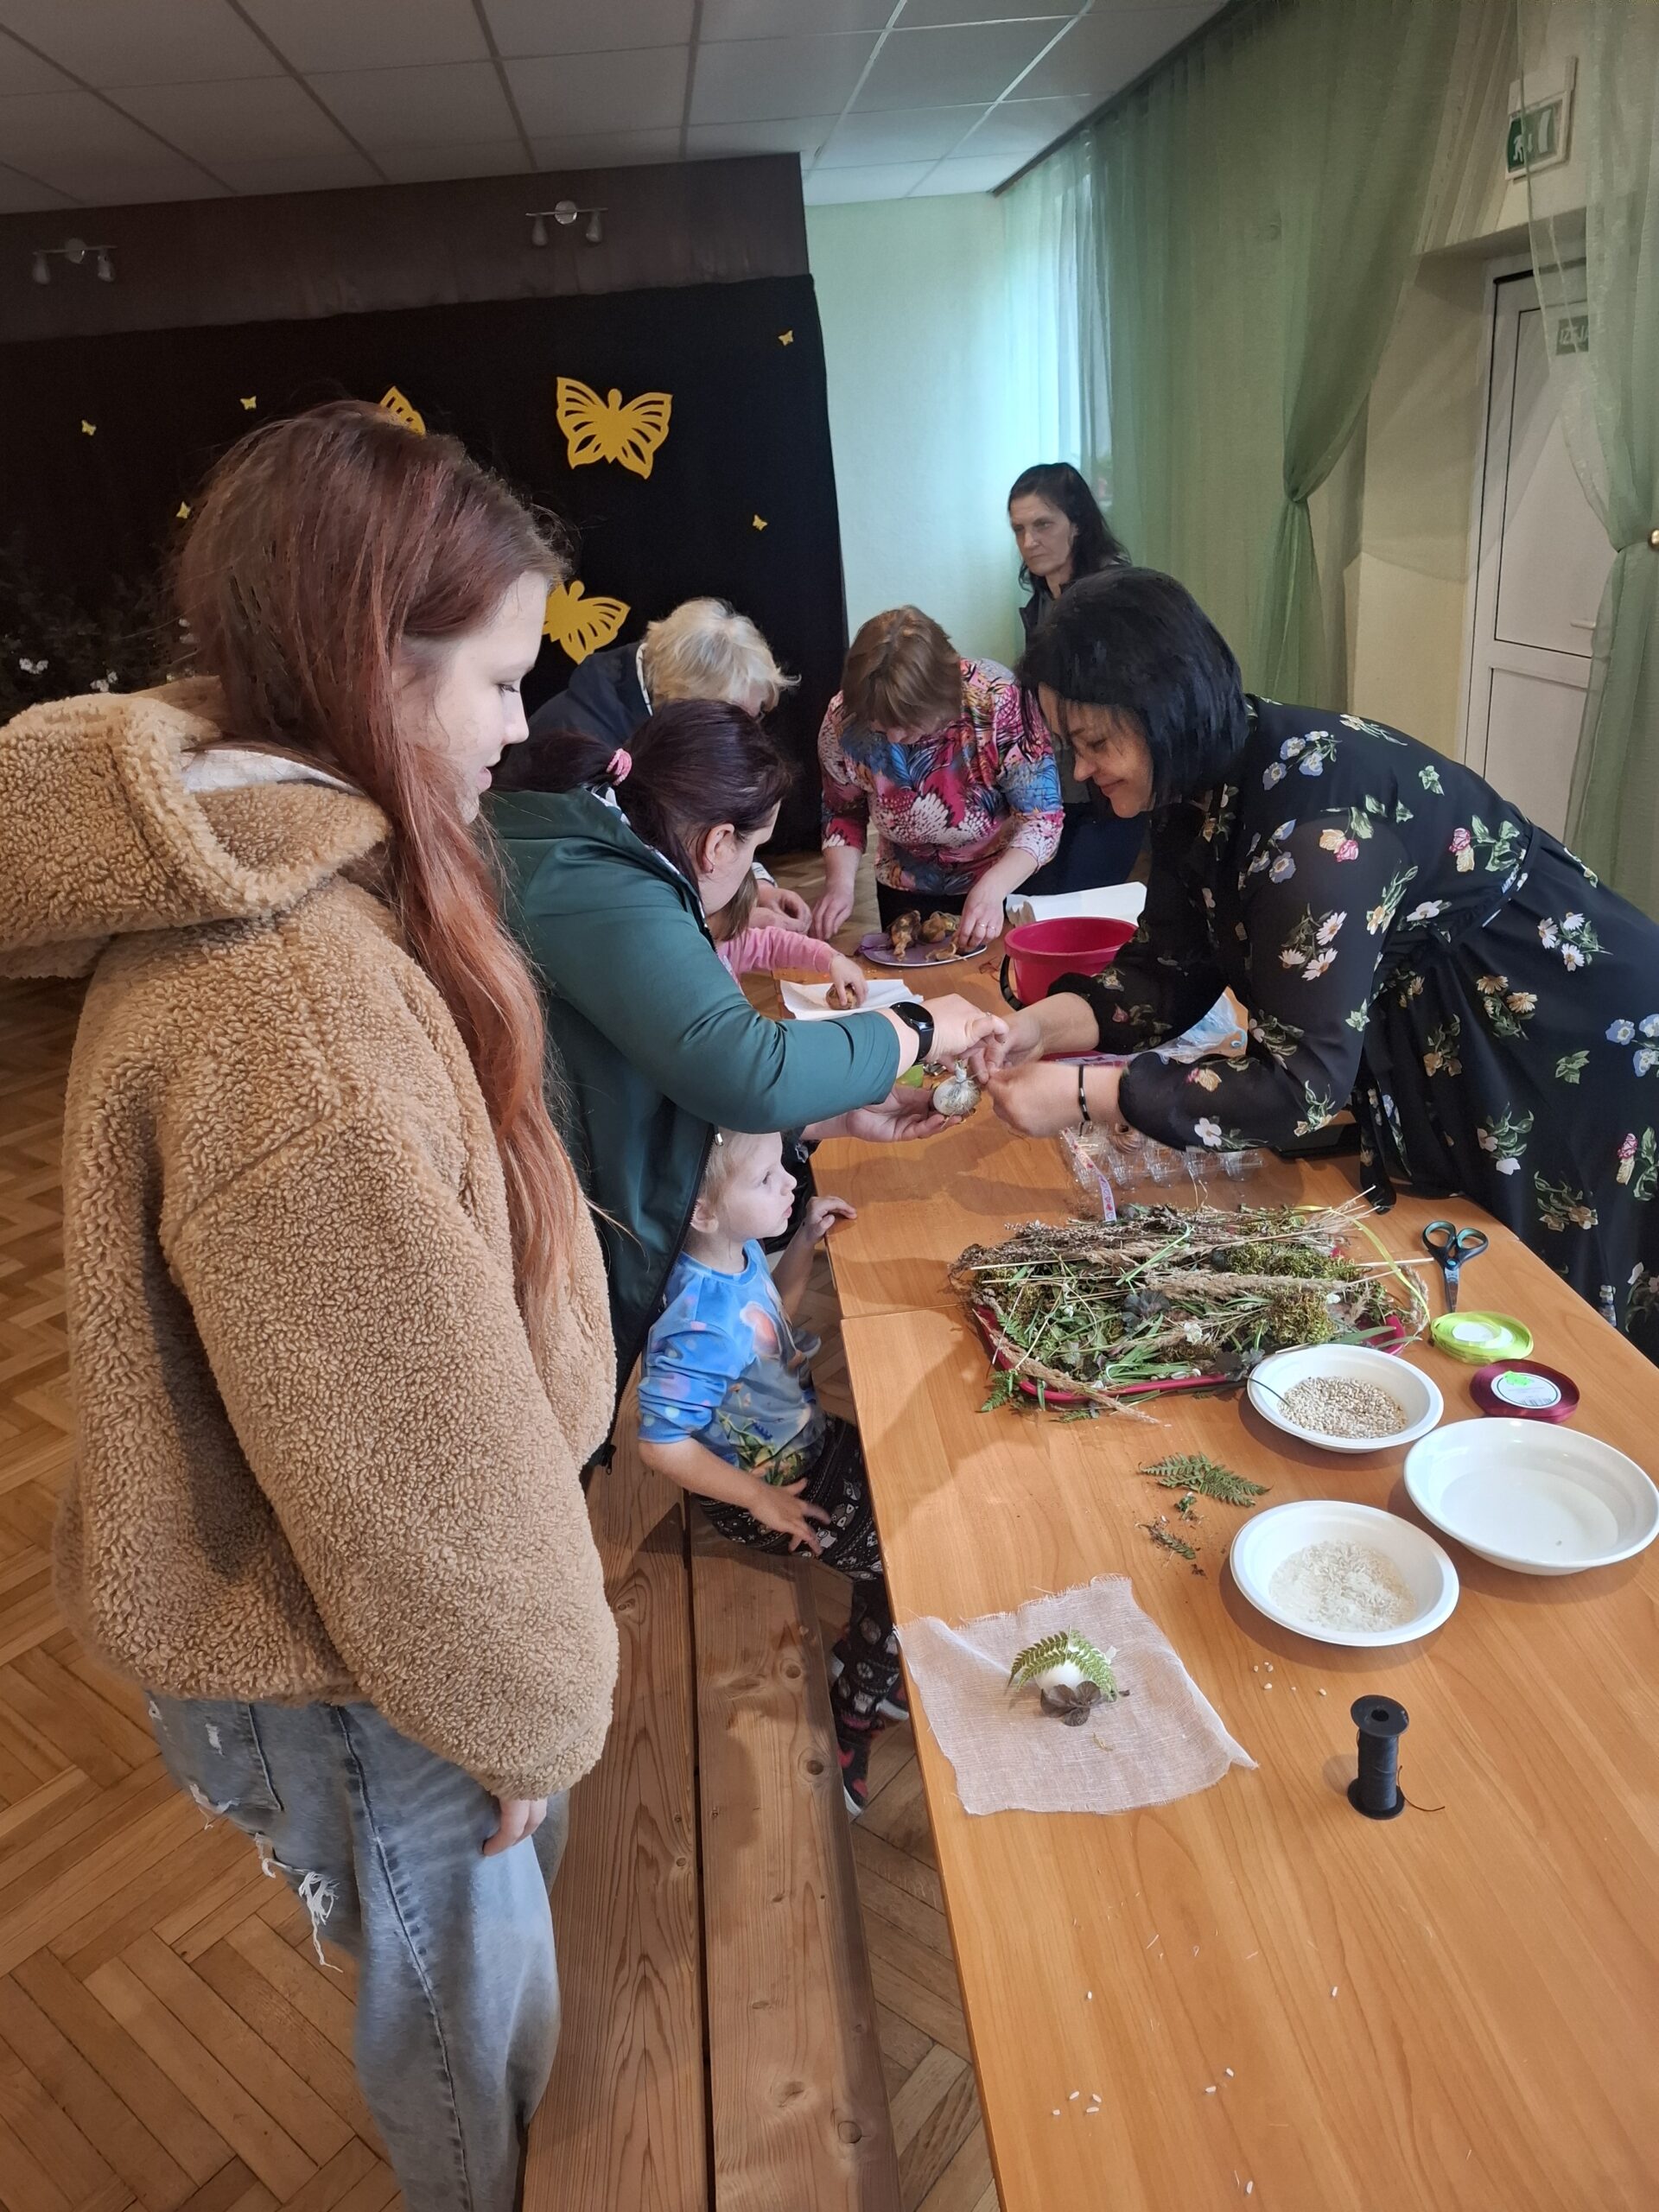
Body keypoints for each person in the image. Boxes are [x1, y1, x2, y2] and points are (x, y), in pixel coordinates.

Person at [0, 401, 619, 2212]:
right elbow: (403, 1449)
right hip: (378, 1651)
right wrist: (517, 1706)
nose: (519, 723)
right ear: (373, 667)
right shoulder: (288, 1006)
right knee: (465, 2030)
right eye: (496, 679)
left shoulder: (309, 898)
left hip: (404, 1623)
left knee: (482, 1994)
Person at [973, 566, 1659, 1357]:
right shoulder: (1195, 783)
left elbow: (1300, 1087)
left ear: (1168, 710)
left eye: (1095, 744)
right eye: (1071, 747)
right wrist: (1040, 1029)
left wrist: (1090, 1095)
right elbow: (1166, 968)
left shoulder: (1315, 838)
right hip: (1453, 1017)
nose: (1081, 772)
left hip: (1559, 1020)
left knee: (1556, 1311)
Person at [488, 702, 1001, 1393]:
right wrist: (921, 1025)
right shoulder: (611, 886)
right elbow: (750, 1067)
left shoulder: (591, 855)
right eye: (754, 852)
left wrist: (831, 1116)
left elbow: (675, 1075)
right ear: (718, 843)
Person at [636, 1129, 902, 1814]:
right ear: (701, 1210)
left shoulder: (734, 1250)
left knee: (903, 1504)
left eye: (782, 1167)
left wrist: (805, 1239)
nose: (790, 1181)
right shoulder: (697, 1327)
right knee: (907, 1563)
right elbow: (660, 1445)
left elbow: (771, 1320)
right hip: (772, 1493)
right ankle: (854, 1716)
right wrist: (757, 1498)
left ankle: (868, 1645)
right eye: (765, 1179)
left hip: (804, 1444)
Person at [524, 594, 811, 929]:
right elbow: (627, 895)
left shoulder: (655, 681)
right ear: (689, 708)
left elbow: (711, 834)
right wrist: (731, 921)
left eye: (756, 716)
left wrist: (756, 888)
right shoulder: (588, 748)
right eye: (735, 719)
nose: (747, 734)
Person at [810, 606, 1063, 949]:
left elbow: (1042, 819)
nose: (894, 739)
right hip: (906, 886)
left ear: (943, 697)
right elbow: (843, 810)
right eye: (880, 727)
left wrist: (993, 888)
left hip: (1005, 879)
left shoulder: (996, 699)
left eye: (907, 725)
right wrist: (840, 885)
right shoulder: (844, 718)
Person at [1007, 462, 1144, 893]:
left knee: (1079, 900)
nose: (1029, 542)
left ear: (1079, 524)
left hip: (1107, 784)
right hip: (1055, 788)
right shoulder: (1041, 601)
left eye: (1043, 525)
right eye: (1019, 529)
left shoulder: (1115, 592)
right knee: (1030, 901)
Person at [710, 866, 868, 1004]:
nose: (739, 930)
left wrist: (833, 959)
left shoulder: (730, 940)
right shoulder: (713, 949)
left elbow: (774, 944)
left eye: (742, 922)